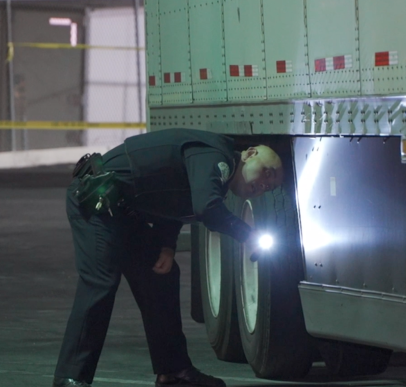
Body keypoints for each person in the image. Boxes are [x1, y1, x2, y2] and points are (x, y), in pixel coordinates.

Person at [53, 128, 284, 387]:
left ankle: (173, 371)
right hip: (96, 199)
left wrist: (166, 246)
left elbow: (173, 198)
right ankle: (70, 377)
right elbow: (206, 207)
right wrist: (247, 235)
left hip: (122, 210)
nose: (264, 185)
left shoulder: (217, 170)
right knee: (100, 281)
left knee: (162, 274)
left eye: (270, 187)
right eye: (267, 172)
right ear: (250, 153)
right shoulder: (216, 156)